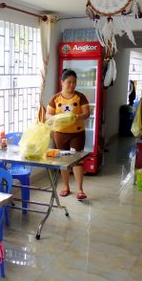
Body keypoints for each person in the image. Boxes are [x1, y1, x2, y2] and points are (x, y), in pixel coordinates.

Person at [45, 68, 90, 200]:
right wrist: (55, 118)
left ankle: (80, 190)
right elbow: (48, 114)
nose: (72, 85)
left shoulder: (80, 97)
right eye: (69, 82)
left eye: (74, 82)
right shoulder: (55, 98)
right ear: (62, 82)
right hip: (60, 133)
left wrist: (79, 117)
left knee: (77, 159)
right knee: (63, 160)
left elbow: (86, 113)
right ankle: (66, 187)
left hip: (77, 132)